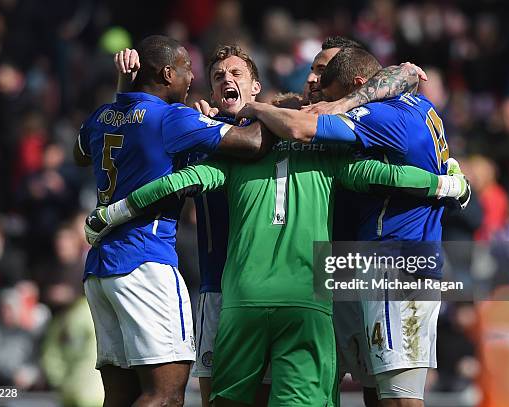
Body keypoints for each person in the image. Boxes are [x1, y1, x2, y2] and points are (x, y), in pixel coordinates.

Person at [113, 39, 429, 407]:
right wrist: (443, 181)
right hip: (261, 293)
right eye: (217, 76)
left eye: (235, 73)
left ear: (256, 88)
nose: (226, 79)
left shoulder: (300, 137)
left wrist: (118, 211)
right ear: (212, 90)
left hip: (263, 292)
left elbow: (178, 178)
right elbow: (377, 170)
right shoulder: (213, 134)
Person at [235, 46, 468, 406]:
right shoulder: (417, 105)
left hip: (396, 262)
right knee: (375, 388)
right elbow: (403, 75)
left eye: (328, 84)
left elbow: (299, 128)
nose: (321, 91)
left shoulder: (379, 116)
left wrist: (255, 108)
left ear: (357, 83)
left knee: (399, 397)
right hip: (372, 263)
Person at [75, 35, 274, 407]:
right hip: (145, 263)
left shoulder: (102, 115)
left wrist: (124, 88)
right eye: (188, 71)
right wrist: (280, 109)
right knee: (164, 395)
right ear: (168, 73)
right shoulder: (173, 118)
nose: (190, 80)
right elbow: (252, 143)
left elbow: (81, 152)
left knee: (120, 396)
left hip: (100, 271)